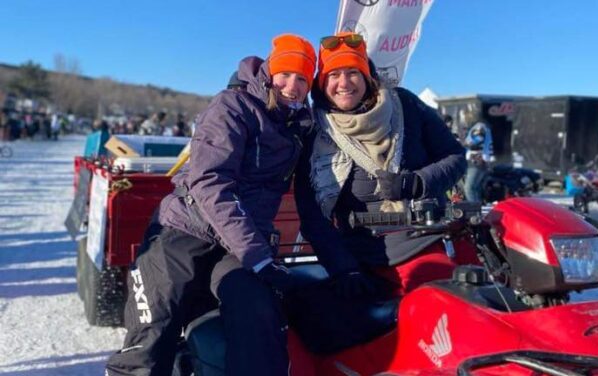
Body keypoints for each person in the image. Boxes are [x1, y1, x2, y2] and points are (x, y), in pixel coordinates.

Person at [105, 33, 316, 376]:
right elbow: (209, 181)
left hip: (239, 247)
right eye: (285, 74)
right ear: (268, 72)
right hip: (185, 231)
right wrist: (258, 256)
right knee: (153, 337)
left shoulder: (298, 127)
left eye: (303, 78)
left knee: (259, 320)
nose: (292, 85)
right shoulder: (233, 106)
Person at [290, 32, 466, 347]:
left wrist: (418, 182)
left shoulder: (405, 106)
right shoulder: (316, 134)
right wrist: (343, 269)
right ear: (321, 84)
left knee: (445, 328)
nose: (344, 83)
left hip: (420, 247)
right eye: (333, 75)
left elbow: (455, 157)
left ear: (368, 76)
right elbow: (312, 213)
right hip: (359, 262)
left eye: (353, 72)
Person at [462, 108, 493, 202]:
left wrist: (464, 143)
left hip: (475, 160)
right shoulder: (484, 126)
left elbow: (478, 139)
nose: (466, 118)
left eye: (467, 116)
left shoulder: (479, 127)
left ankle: (474, 211)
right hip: (481, 160)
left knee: (469, 188)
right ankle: (478, 210)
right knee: (475, 188)